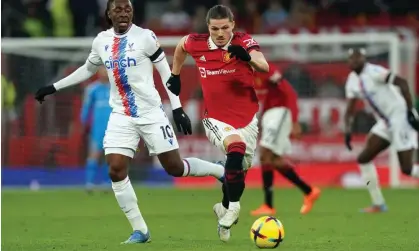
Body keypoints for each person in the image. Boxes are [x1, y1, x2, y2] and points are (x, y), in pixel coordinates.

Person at [35, 0, 225, 244]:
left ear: (133, 13)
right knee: (115, 168)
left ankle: (219, 170)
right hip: (121, 115)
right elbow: (88, 69)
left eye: (128, 9)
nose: (124, 13)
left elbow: (167, 72)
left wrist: (177, 108)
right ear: (108, 14)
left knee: (174, 168)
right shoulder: (101, 41)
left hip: (150, 113)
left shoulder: (146, 37)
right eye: (118, 10)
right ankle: (140, 230)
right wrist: (53, 87)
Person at [166, 4, 269, 242]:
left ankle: (223, 207)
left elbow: (264, 65)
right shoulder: (197, 42)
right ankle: (233, 209)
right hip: (215, 118)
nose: (220, 33)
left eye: (224, 28)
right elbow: (181, 46)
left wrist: (247, 58)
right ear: (208, 27)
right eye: (215, 29)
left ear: (233, 25)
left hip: (247, 120)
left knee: (238, 177)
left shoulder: (244, 41)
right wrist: (175, 74)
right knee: (236, 148)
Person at [344, 48, 419, 213]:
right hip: (385, 123)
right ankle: (378, 203)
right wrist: (347, 130)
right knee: (363, 158)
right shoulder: (352, 80)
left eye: (357, 58)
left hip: (400, 117)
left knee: (407, 169)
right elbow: (350, 109)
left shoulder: (374, 71)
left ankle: (379, 203)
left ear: (364, 59)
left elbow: (402, 82)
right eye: (351, 58)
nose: (354, 61)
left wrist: (410, 111)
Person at [250, 63, 321, 216]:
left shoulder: (265, 69)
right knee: (272, 159)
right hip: (270, 115)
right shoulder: (243, 73)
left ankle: (269, 205)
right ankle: (308, 191)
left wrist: (295, 121)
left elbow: (290, 92)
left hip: (279, 112)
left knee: (265, 155)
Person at [80, 66, 112, 192]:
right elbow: (86, 108)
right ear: (98, 72)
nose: (104, 73)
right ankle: (89, 183)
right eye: (102, 70)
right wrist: (83, 122)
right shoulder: (92, 89)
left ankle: (108, 182)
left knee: (110, 155)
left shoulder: (116, 89)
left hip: (113, 127)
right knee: (94, 154)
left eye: (106, 70)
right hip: (98, 128)